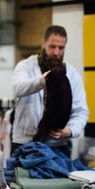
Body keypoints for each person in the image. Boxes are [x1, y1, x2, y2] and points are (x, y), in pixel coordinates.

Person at [11, 25, 89, 158]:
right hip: (24, 142)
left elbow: (81, 111)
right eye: (52, 47)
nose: (56, 52)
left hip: (59, 145)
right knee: (19, 179)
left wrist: (70, 130)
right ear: (43, 43)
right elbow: (17, 88)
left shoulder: (72, 74)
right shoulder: (25, 66)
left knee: (59, 179)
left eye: (61, 48)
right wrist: (44, 80)